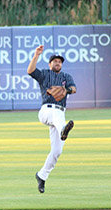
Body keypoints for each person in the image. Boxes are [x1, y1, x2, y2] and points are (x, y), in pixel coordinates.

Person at [27, 45, 77, 193]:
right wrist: (36, 55)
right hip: (46, 111)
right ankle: (63, 129)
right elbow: (30, 71)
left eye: (60, 61)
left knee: (57, 151)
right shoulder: (44, 74)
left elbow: (74, 89)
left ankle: (41, 176)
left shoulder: (66, 77)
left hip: (60, 113)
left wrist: (66, 90)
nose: (57, 63)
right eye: (55, 61)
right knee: (57, 117)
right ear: (50, 64)